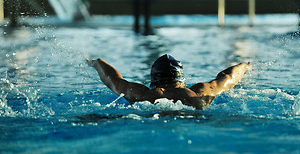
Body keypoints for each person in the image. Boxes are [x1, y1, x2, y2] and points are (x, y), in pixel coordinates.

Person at [86, 54, 252, 110]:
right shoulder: (200, 92)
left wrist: (95, 62)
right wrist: (245, 67)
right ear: (181, 78)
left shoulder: (143, 93)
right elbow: (228, 77)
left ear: (153, 80)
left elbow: (112, 79)